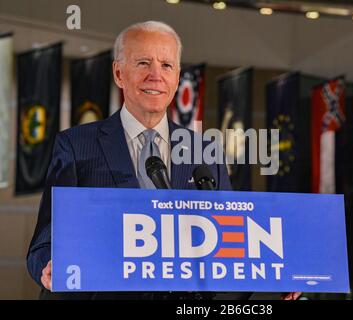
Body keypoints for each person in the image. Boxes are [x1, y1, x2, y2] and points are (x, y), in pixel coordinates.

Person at [26, 20, 300, 301]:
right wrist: (49, 266)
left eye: (166, 66)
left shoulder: (204, 150)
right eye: (143, 63)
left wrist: (277, 275)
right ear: (119, 73)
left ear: (177, 76)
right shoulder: (75, 145)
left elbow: (231, 244)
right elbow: (44, 244)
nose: (155, 75)